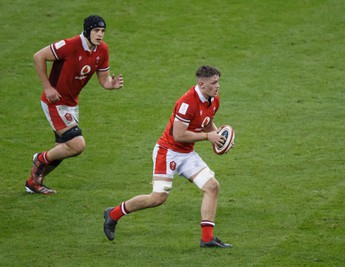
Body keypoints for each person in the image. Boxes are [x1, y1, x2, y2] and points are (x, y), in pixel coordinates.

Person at [103, 65, 232, 248]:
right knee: (157, 198)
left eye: (218, 81)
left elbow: (206, 120)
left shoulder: (213, 99)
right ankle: (113, 214)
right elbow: (178, 135)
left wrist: (218, 137)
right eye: (214, 82)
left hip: (186, 153)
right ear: (202, 85)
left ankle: (207, 239)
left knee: (212, 187)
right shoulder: (186, 103)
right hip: (168, 152)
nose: (218, 86)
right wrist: (207, 137)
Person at [25, 15, 124, 195]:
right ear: (87, 31)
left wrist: (111, 84)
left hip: (71, 104)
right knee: (77, 145)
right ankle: (39, 159)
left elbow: (104, 79)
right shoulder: (69, 45)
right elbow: (38, 56)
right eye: (96, 30)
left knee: (63, 150)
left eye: (102, 31)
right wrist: (47, 87)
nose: (100, 34)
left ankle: (34, 182)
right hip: (54, 102)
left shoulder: (102, 50)